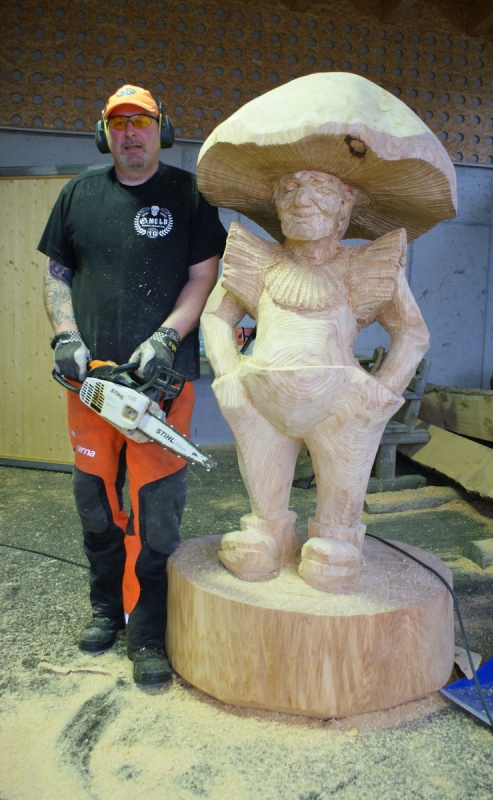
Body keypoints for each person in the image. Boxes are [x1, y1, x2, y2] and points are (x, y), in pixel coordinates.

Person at [38, 84, 227, 684]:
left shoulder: (188, 195)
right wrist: (66, 336)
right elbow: (57, 274)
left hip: (160, 383)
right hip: (91, 382)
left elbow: (204, 276)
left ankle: (146, 631)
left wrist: (167, 336)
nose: (130, 133)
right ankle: (105, 611)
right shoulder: (78, 194)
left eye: (140, 122)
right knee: (95, 502)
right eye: (118, 123)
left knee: (156, 511)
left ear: (160, 129)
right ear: (104, 134)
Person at [201, 169, 429, 589]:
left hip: (341, 405)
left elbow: (412, 332)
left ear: (346, 203)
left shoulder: (365, 265)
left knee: (341, 494)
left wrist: (382, 391)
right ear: (276, 204)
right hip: (262, 399)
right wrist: (228, 372)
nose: (302, 199)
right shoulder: (258, 260)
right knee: (262, 484)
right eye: (289, 188)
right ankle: (267, 535)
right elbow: (216, 315)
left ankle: (338, 539)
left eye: (320, 188)